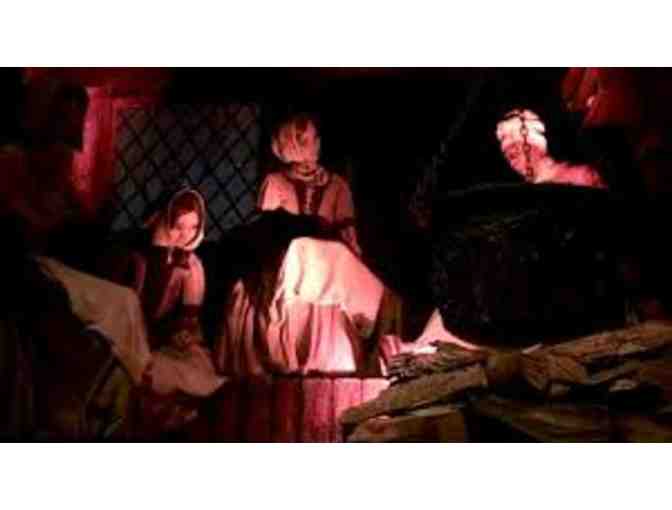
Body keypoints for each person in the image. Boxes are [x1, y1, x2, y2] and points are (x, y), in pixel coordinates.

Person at [215, 114, 401, 376]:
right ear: (292, 144)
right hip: (287, 262)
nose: (316, 144)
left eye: (316, 138)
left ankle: (369, 327)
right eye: (308, 139)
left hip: (329, 266)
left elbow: (348, 236)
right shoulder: (275, 182)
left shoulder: (337, 185)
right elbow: (267, 234)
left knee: (335, 261)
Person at [105, 186, 225, 431]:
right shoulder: (134, 257)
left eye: (193, 227)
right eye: (179, 226)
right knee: (134, 369)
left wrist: (183, 333)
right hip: (128, 334)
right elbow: (128, 304)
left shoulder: (191, 265)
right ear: (163, 221)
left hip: (165, 340)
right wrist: (159, 250)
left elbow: (189, 317)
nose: (185, 235)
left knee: (196, 369)